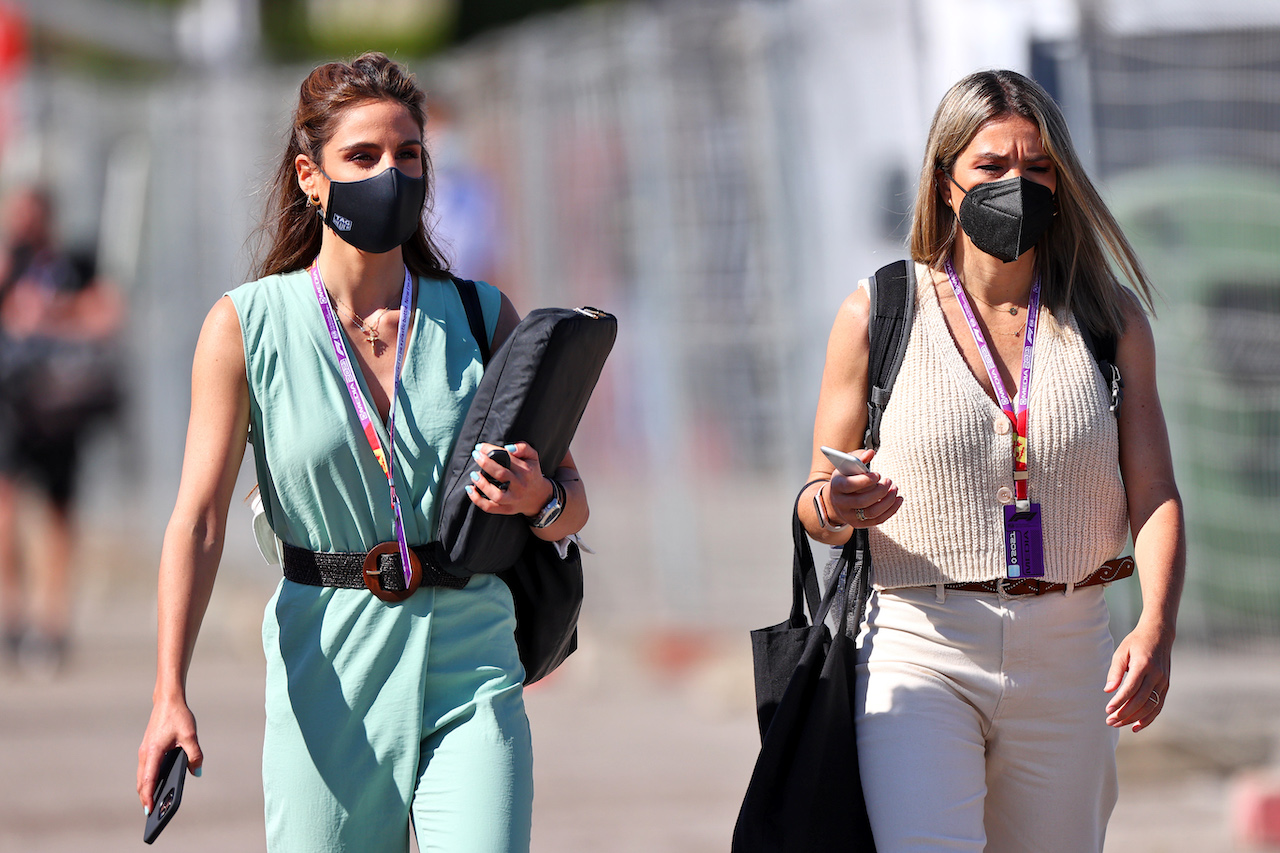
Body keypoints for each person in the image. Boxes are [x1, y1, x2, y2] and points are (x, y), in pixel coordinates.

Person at [135, 53, 588, 852]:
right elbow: (199, 522)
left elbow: (571, 502)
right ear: (311, 177)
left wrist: (537, 500)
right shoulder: (247, 327)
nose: (392, 174)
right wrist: (169, 688)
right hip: (331, 662)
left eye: (408, 155)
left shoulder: (482, 316)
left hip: (472, 655)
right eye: (364, 157)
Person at [801, 70, 1184, 852]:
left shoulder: (1108, 317)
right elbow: (813, 501)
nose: (1018, 184)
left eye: (1037, 169)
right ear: (946, 184)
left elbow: (1154, 494)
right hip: (920, 640)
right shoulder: (878, 311)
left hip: (1072, 643)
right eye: (991, 167)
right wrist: (839, 506)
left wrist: (1156, 625)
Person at [0, 186, 123, 673]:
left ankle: (52, 623)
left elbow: (106, 314)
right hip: (11, 406)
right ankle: (12, 613)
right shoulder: (10, 265)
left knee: (58, 517)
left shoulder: (74, 263)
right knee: (6, 511)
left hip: (58, 406)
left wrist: (51, 314)